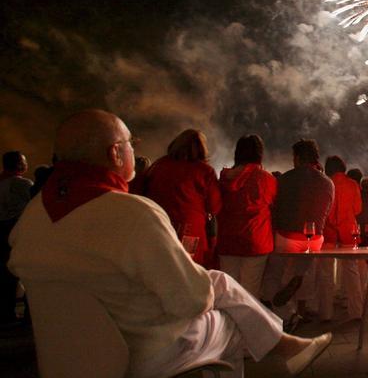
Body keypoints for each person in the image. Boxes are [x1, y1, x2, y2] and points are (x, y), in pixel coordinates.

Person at [8, 110, 330, 377]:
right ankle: (283, 346)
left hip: (65, 358)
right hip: (141, 353)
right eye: (131, 142)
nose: (135, 149)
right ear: (114, 153)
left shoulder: (31, 218)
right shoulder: (132, 214)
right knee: (230, 322)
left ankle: (285, 344)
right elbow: (190, 301)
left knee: (218, 281)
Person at [260, 139, 334, 330]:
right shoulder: (328, 183)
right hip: (315, 238)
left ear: (298, 157)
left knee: (273, 275)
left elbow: (276, 208)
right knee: (302, 273)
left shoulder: (285, 179)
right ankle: (299, 289)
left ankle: (284, 313)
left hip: (287, 236)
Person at [140, 129, 222, 268]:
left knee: (160, 267)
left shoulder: (159, 165)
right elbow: (214, 206)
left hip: (159, 225)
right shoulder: (204, 171)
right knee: (189, 269)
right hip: (190, 230)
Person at [216, 134, 276, 297]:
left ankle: (228, 322)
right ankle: (248, 322)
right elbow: (272, 204)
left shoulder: (224, 179)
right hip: (255, 240)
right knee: (250, 292)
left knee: (228, 291)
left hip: (228, 240)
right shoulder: (266, 179)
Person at [318, 155, 363, 321]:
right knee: (352, 272)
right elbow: (358, 209)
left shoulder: (325, 183)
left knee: (326, 273)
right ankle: (356, 311)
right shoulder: (352, 184)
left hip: (328, 232)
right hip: (348, 231)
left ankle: (325, 313)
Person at [0, 151, 32, 324]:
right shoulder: (24, 185)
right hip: (17, 232)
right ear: (20, 164)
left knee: (4, 274)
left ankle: (5, 312)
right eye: (23, 161)